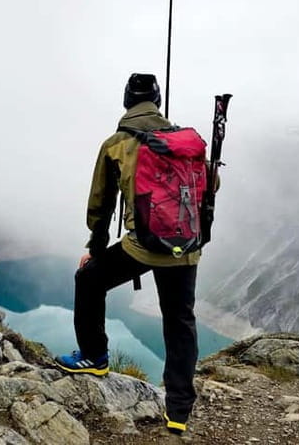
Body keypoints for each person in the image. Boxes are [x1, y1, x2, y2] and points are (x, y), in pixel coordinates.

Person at [55, 73, 208, 436]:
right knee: (179, 319)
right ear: (157, 101)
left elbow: (101, 204)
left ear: (127, 102)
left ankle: (94, 357)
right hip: (185, 249)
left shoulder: (117, 143)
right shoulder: (187, 142)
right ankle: (179, 411)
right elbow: (209, 187)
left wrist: (94, 248)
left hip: (141, 247)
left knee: (89, 279)